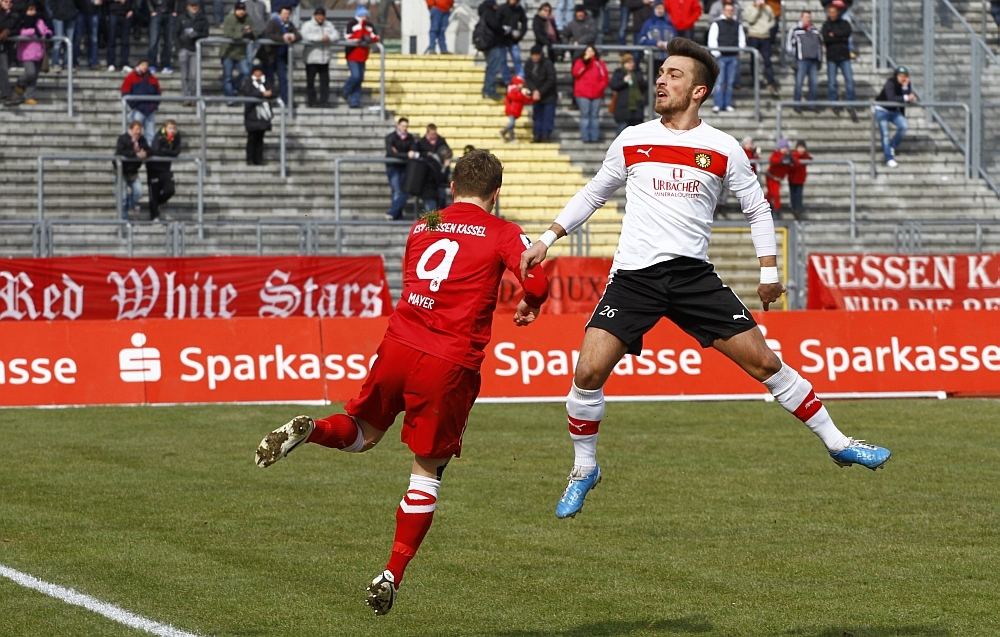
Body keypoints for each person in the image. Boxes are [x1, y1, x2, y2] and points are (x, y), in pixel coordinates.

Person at [518, 37, 891, 520]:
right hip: (634, 278)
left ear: (699, 92)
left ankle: (838, 443)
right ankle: (584, 468)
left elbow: (757, 208)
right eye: (661, 72)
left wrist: (769, 272)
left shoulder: (722, 147)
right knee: (587, 373)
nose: (661, 80)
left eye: (673, 75)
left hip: (693, 277)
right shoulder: (632, 139)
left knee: (765, 363)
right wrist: (547, 238)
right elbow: (594, 193)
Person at [254, 150, 550, 617]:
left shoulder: (424, 225)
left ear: (452, 188)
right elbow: (536, 280)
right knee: (427, 469)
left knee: (363, 433)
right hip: (448, 360)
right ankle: (391, 573)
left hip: (398, 344)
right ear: (496, 194)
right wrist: (532, 302)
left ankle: (313, 430)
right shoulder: (503, 232)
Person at [822, 0, 856, 121]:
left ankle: (851, 105)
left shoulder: (844, 23)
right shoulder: (826, 25)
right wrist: (840, 37)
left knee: (850, 81)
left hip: (844, 56)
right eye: (830, 12)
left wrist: (834, 35)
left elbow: (847, 32)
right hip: (832, 57)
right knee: (832, 83)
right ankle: (834, 103)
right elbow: (826, 39)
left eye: (834, 12)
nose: (832, 14)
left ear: (838, 12)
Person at [707, 1, 744, 113]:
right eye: (727, 10)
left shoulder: (737, 25)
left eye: (731, 10)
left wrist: (739, 51)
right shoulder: (716, 24)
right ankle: (718, 104)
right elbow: (712, 39)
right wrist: (717, 53)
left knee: (730, 82)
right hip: (721, 57)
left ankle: (727, 104)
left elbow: (741, 39)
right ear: (723, 11)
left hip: (733, 57)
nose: (730, 12)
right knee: (720, 81)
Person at [875, 66, 914, 169]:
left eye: (904, 76)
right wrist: (907, 97)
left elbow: (904, 101)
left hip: (893, 110)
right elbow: (891, 98)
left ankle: (892, 146)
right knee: (885, 134)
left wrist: (905, 88)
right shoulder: (890, 83)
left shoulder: (906, 84)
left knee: (904, 126)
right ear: (896, 76)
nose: (902, 78)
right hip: (881, 109)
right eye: (900, 76)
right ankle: (889, 158)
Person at [301, 6, 339, 107]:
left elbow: (336, 35)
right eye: (318, 15)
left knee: (325, 82)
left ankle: (324, 101)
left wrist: (329, 38)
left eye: (322, 15)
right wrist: (320, 38)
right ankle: (312, 101)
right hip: (311, 58)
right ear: (314, 16)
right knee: (310, 81)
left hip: (324, 58)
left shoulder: (328, 25)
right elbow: (305, 35)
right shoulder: (308, 25)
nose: (320, 17)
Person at [261, 4, 298, 105]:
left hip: (281, 56)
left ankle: (286, 101)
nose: (286, 16)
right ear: (279, 14)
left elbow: (298, 35)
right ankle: (268, 101)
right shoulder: (273, 22)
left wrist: (293, 37)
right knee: (269, 78)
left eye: (288, 14)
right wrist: (282, 38)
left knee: (283, 78)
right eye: (285, 13)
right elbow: (268, 34)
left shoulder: (289, 25)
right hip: (270, 55)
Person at [342, 6, 378, 109]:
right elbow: (349, 37)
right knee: (356, 76)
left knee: (359, 79)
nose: (364, 17)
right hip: (352, 55)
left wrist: (369, 39)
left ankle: (354, 102)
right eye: (362, 15)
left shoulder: (369, 25)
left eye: (366, 15)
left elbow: (376, 37)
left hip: (363, 56)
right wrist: (361, 31)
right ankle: (345, 89)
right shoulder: (351, 24)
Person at [14, 2, 49, 105]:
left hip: (38, 52)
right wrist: (34, 32)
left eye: (34, 10)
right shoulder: (22, 20)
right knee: (30, 72)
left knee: (34, 76)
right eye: (30, 10)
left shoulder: (40, 21)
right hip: (27, 53)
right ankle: (19, 83)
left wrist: (48, 34)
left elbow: (45, 30)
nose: (33, 12)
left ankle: (30, 96)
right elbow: (21, 32)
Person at [572, 44, 608, 143]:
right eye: (588, 51)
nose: (590, 53)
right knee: (585, 115)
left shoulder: (599, 63)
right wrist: (584, 63)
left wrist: (600, 87)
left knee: (594, 116)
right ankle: (585, 137)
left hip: (597, 94)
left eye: (591, 51)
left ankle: (595, 137)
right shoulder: (579, 62)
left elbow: (605, 78)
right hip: (582, 94)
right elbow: (576, 73)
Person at [786, 11, 822, 110]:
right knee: (799, 83)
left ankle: (812, 105)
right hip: (801, 60)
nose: (808, 19)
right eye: (806, 17)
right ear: (801, 18)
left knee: (814, 84)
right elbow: (789, 45)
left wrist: (819, 59)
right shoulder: (795, 30)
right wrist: (792, 59)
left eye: (809, 17)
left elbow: (819, 46)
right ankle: (797, 104)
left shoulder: (815, 30)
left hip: (813, 61)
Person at [385, 117, 419, 220]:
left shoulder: (410, 137)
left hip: (405, 167)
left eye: (406, 126)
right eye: (403, 126)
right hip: (393, 167)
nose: (405, 128)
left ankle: (393, 214)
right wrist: (406, 155)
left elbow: (413, 150)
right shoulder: (390, 137)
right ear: (398, 126)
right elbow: (390, 153)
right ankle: (397, 216)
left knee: (404, 191)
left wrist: (398, 153)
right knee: (397, 191)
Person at [115, 119, 150, 218]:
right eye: (136, 129)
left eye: (140, 129)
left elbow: (149, 149)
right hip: (122, 171)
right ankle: (123, 219)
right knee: (122, 197)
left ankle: (123, 210)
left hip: (133, 172)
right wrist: (135, 154)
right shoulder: (123, 138)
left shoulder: (141, 139)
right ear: (131, 129)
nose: (138, 132)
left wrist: (146, 153)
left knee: (139, 192)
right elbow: (120, 152)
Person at [147, 119, 181, 220]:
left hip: (166, 168)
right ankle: (154, 216)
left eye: (174, 128)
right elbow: (156, 150)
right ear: (165, 128)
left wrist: (164, 151)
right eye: (170, 128)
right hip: (154, 168)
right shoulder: (159, 136)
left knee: (170, 190)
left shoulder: (177, 136)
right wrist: (169, 152)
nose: (172, 130)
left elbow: (177, 152)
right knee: (154, 192)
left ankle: (157, 203)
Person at [122, 59, 161, 145]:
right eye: (143, 64)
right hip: (137, 110)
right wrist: (134, 105)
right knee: (135, 133)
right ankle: (134, 149)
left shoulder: (153, 79)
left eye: (147, 65)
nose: (145, 67)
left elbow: (158, 93)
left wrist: (154, 106)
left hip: (150, 110)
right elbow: (125, 92)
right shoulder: (131, 77)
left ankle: (149, 150)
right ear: (138, 66)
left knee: (150, 134)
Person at [221, 1, 255, 99]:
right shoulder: (229, 18)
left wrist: (252, 35)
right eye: (239, 10)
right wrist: (243, 35)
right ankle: (230, 97)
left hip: (241, 53)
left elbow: (254, 32)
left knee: (246, 72)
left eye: (243, 9)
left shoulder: (248, 19)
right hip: (228, 52)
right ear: (235, 10)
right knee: (227, 76)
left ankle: (234, 87)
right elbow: (228, 34)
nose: (241, 12)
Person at [176, 0, 208, 101]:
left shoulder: (203, 18)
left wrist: (197, 34)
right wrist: (179, 48)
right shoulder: (181, 17)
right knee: (184, 75)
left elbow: (206, 33)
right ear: (187, 6)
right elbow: (176, 33)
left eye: (196, 5)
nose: (194, 7)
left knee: (194, 76)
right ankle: (186, 97)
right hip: (184, 49)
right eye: (192, 5)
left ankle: (194, 96)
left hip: (195, 50)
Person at [524, 43, 556, 143]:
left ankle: (546, 135)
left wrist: (540, 91)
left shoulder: (548, 63)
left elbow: (551, 79)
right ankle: (537, 135)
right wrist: (534, 90)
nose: (536, 57)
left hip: (549, 95)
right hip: (536, 95)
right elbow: (528, 78)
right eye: (534, 55)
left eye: (537, 55)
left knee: (547, 117)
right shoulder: (528, 64)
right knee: (537, 116)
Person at [744, 0, 777, 96]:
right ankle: (754, 80)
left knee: (767, 60)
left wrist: (768, 26)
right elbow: (751, 20)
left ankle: (771, 82)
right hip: (754, 36)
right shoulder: (749, 8)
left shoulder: (768, 8)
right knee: (753, 60)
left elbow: (773, 19)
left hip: (765, 36)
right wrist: (758, 9)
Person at [416, 124, 452, 211]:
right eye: (432, 134)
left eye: (435, 134)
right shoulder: (421, 143)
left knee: (440, 206)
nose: (434, 136)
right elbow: (417, 153)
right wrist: (425, 154)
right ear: (427, 133)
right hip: (430, 184)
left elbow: (448, 152)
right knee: (431, 209)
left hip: (438, 181)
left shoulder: (441, 141)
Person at [242, 62, 272, 165]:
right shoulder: (249, 83)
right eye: (256, 71)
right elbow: (247, 92)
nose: (258, 73)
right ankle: (250, 159)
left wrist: (269, 94)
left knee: (260, 139)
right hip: (252, 115)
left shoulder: (266, 82)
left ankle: (259, 159)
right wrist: (262, 94)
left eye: (260, 71)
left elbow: (274, 91)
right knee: (252, 139)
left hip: (263, 116)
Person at [609, 52, 645, 136]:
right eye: (629, 62)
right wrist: (624, 81)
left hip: (636, 107)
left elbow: (643, 85)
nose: (631, 64)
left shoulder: (637, 73)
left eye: (632, 62)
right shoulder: (619, 73)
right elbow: (613, 85)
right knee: (622, 129)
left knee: (636, 132)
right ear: (624, 63)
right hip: (623, 107)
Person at [477, 0, 504, 98]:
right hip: (492, 44)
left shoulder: (483, 13)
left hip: (486, 44)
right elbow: (494, 25)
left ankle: (486, 89)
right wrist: (503, 30)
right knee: (493, 68)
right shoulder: (489, 13)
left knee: (490, 67)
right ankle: (490, 90)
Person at [637, 0, 674, 66]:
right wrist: (655, 42)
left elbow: (675, 38)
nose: (660, 10)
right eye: (657, 8)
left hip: (668, 58)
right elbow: (642, 39)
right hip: (653, 58)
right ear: (654, 9)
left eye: (661, 8)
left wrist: (668, 44)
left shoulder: (669, 23)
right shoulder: (648, 23)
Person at [497, 0, 527, 81]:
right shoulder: (502, 8)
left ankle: (520, 78)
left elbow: (524, 22)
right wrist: (502, 31)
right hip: (502, 39)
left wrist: (520, 35)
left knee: (517, 59)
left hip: (513, 39)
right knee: (503, 60)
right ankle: (506, 79)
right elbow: (496, 22)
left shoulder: (519, 9)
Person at [501, 74, 533, 142]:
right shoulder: (513, 91)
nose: (522, 85)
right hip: (511, 110)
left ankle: (511, 138)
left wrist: (532, 98)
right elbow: (517, 97)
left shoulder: (520, 92)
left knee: (512, 125)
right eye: (520, 84)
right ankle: (503, 132)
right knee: (512, 123)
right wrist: (524, 95)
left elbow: (525, 100)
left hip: (516, 111)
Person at [765, 138, 792, 213]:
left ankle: (767, 205)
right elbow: (772, 159)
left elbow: (795, 162)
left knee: (772, 193)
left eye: (786, 148)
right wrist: (781, 160)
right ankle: (776, 209)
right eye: (783, 148)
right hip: (771, 177)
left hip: (778, 178)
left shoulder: (789, 156)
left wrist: (791, 160)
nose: (785, 149)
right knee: (774, 193)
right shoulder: (776, 154)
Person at [146, 0, 174, 73]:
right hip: (157, 12)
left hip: (169, 13)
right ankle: (152, 64)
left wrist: (175, 11)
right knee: (153, 41)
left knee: (169, 42)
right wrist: (151, 10)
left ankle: (166, 64)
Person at [105, 0, 133, 72]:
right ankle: (111, 63)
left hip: (126, 13)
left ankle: (124, 63)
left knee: (125, 41)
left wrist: (132, 9)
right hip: (113, 13)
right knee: (111, 40)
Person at [49, 0, 77, 72]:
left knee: (69, 42)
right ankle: (55, 63)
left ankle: (67, 64)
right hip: (58, 16)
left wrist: (75, 11)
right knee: (58, 41)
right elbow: (51, 2)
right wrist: (55, 10)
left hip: (71, 16)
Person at [0, 0, 18, 107]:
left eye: (10, 2)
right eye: (5, 1)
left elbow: (17, 29)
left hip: (3, 47)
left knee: (3, 71)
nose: (7, 3)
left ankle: (7, 96)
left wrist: (8, 31)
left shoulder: (14, 15)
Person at [788, 139, 810, 212]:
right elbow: (795, 163)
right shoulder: (793, 155)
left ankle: (798, 207)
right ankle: (794, 206)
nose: (801, 150)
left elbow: (808, 158)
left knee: (799, 194)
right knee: (793, 193)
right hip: (792, 178)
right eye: (800, 148)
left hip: (800, 179)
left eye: (803, 148)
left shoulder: (805, 156)